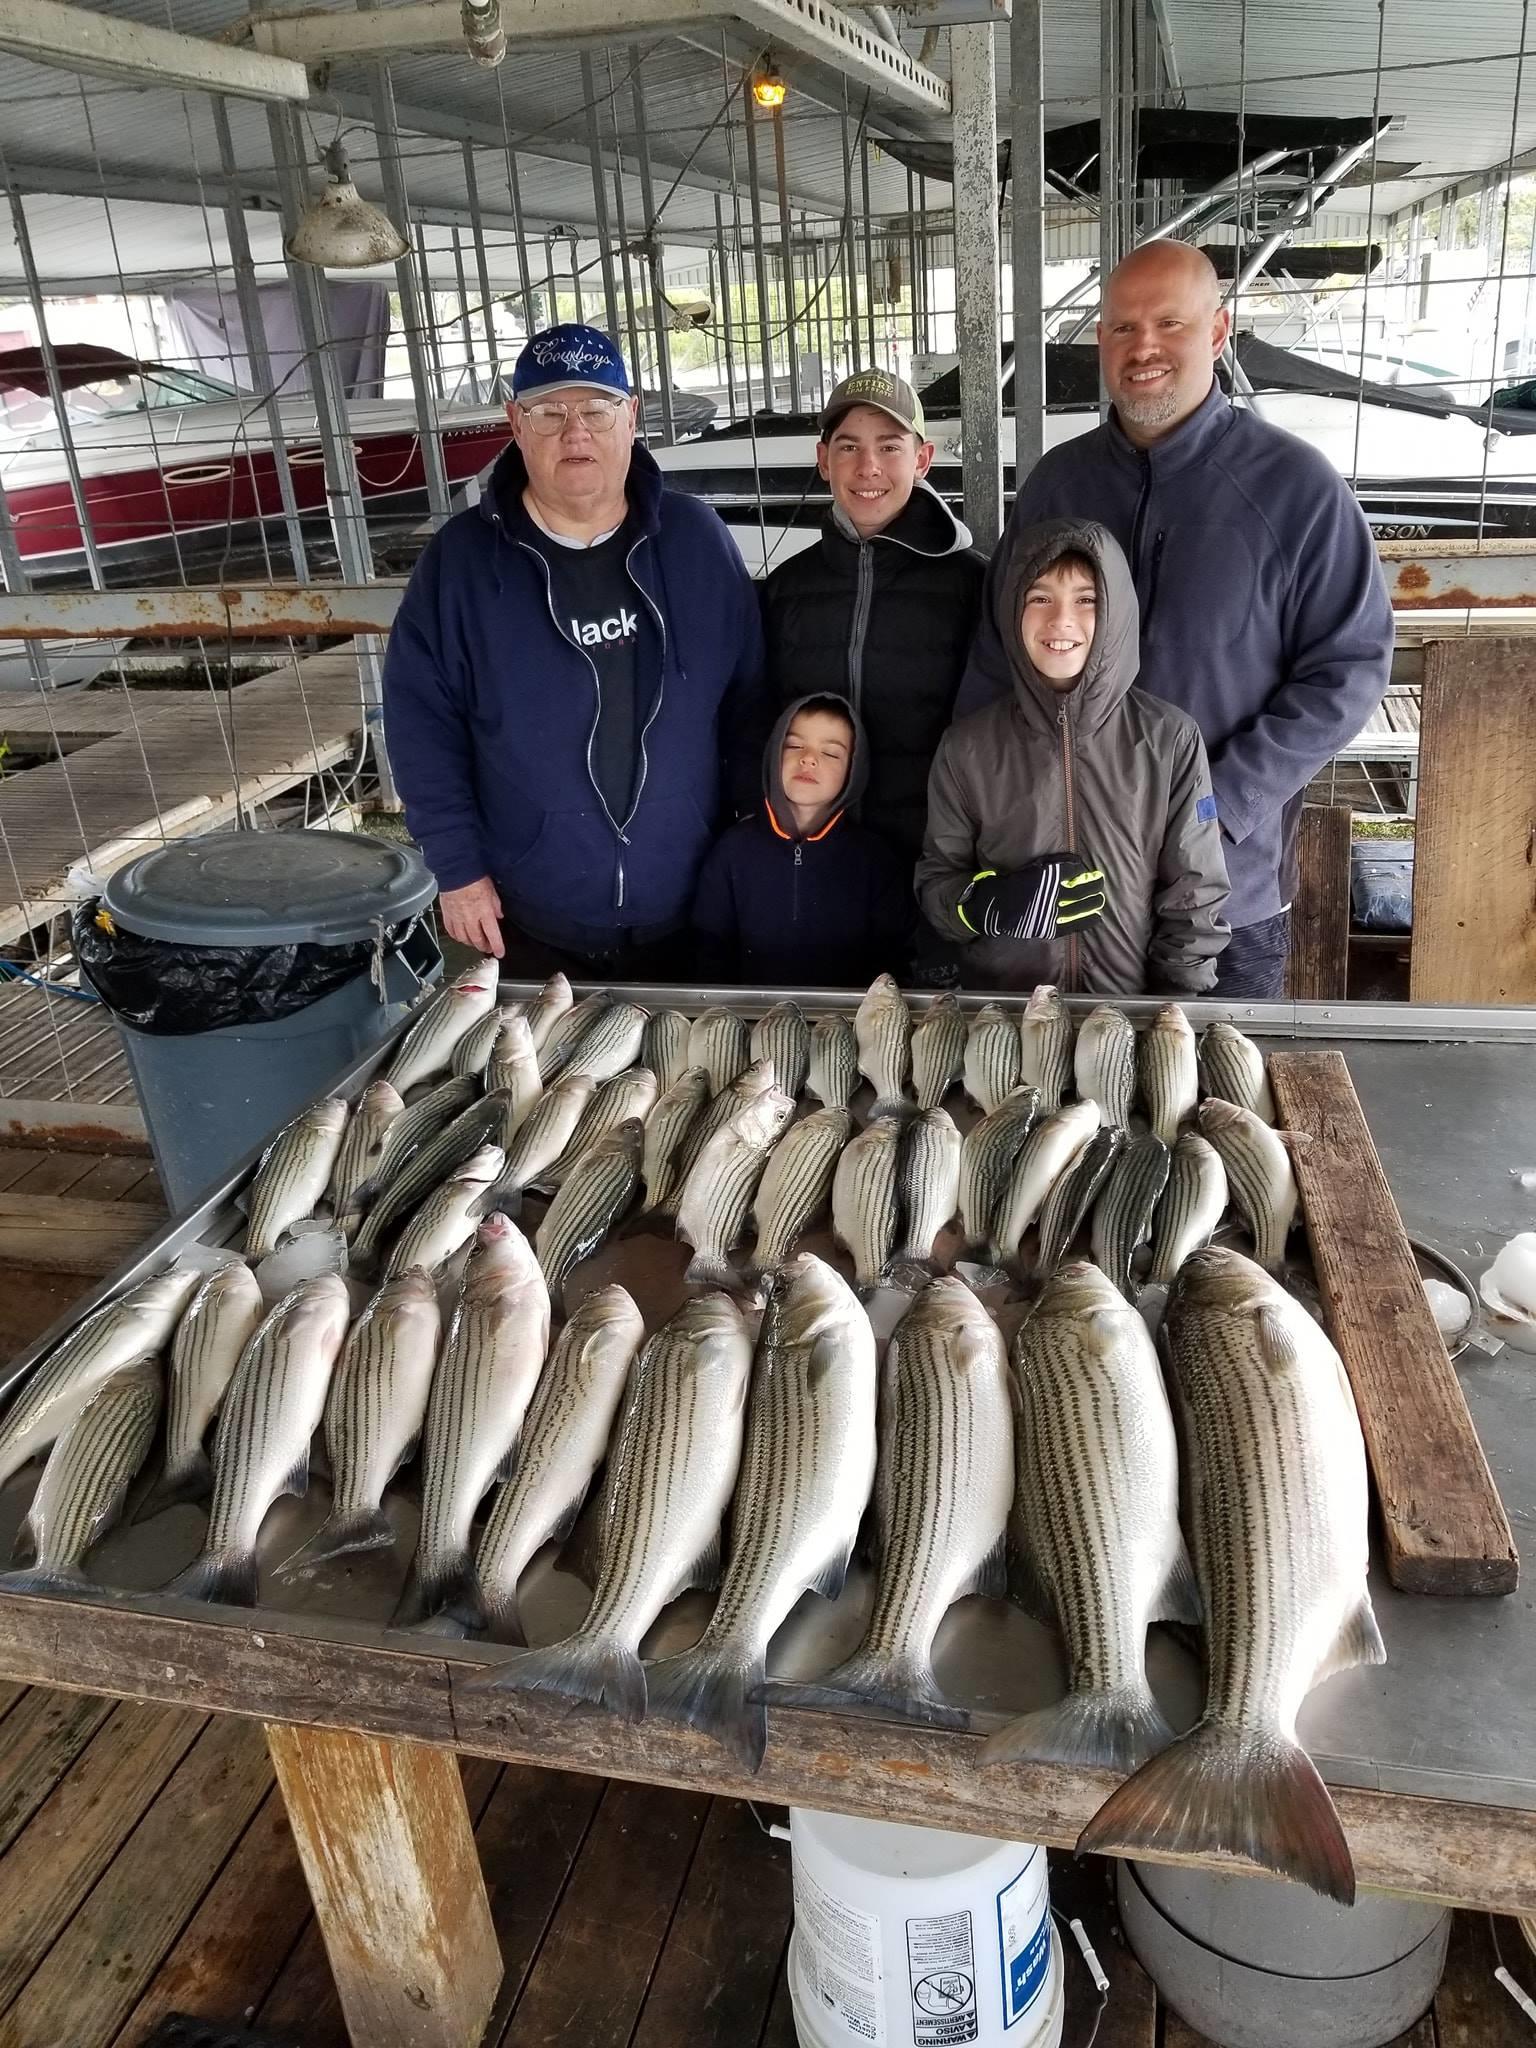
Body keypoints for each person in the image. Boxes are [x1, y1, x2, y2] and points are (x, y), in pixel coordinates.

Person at [958, 241, 1391, 998]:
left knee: (1212, 1108)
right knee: (1056, 1107)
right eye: (1122, 327)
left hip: (1226, 895)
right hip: (1062, 891)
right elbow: (998, 658)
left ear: (1219, 332)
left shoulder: (1298, 490)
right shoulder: (1059, 484)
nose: (1143, 347)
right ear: (1100, 342)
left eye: (1170, 323)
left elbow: (1350, 667)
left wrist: (1218, 809)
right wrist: (979, 839)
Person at [382, 322, 765, 978]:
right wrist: (458, 870)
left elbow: (750, 700)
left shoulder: (697, 541)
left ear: (631, 416)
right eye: (549, 413)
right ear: (514, 422)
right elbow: (422, 726)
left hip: (690, 904)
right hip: (526, 916)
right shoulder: (462, 564)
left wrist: (748, 843)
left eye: (595, 409)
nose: (575, 432)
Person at [918, 519, 1230, 994]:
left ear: (1117, 613)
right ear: (1012, 610)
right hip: (1005, 1019)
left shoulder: (1169, 738)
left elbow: (1195, 889)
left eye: (1087, 600)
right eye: (1040, 598)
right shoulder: (967, 746)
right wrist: (982, 903)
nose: (1061, 620)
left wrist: (1175, 1001)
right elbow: (938, 879)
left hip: (1125, 1013)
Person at [759, 369, 986, 872]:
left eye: (889, 447)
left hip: (934, 863)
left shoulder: (973, 586)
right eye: (847, 447)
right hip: (816, 860)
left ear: (922, 460)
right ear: (823, 461)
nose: (867, 467)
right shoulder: (785, 588)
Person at [692, 692, 910, 986]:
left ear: (854, 772)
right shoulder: (731, 851)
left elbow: (891, 963)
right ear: (772, 755)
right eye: (794, 745)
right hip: (750, 1022)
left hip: (845, 1025)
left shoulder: (874, 859)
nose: (808, 758)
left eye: (831, 753)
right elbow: (709, 955)